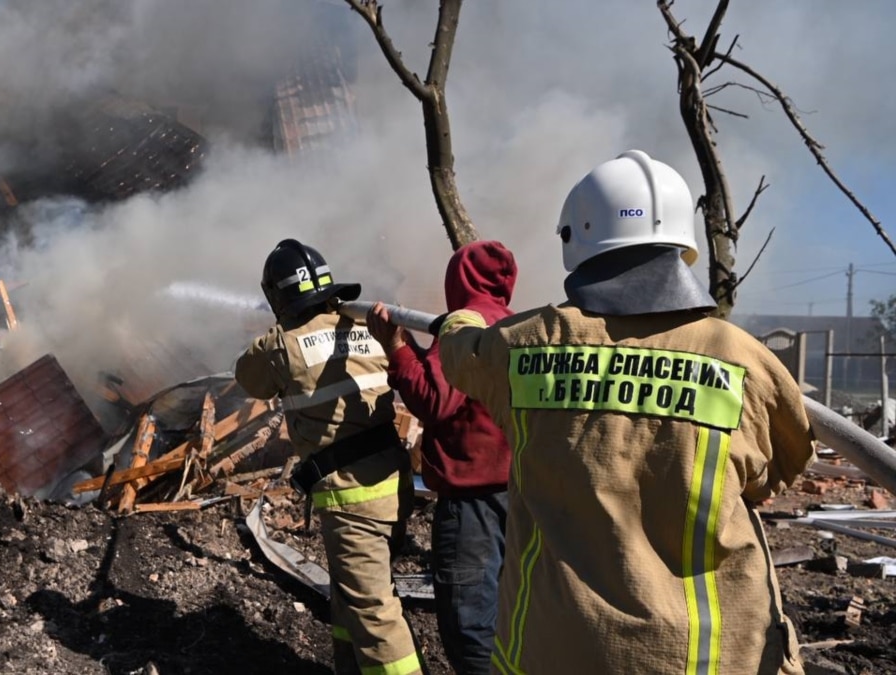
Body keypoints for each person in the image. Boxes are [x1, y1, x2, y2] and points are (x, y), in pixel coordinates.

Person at [435, 150, 815, 674]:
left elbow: (460, 355)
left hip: (548, 650)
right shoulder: (744, 360)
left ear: (575, 240)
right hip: (700, 658)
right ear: (683, 243)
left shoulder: (522, 346)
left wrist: (457, 318)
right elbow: (777, 471)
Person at [235, 238, 424, 675]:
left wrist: (275, 334)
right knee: (350, 594)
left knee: (374, 613)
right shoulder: (362, 328)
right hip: (393, 486)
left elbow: (249, 378)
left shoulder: (281, 347)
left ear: (277, 297)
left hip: (353, 500)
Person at [366, 240, 517, 675]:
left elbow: (434, 399)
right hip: (520, 496)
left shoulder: (462, 328)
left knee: (469, 623)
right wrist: (410, 347)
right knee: (511, 614)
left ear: (458, 280)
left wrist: (395, 346)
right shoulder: (515, 324)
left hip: (472, 509)